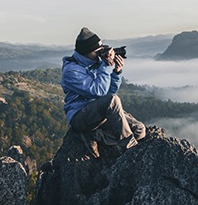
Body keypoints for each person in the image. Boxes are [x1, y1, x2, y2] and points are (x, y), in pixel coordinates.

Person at [61, 27, 146, 158]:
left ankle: (97, 136)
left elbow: (108, 93)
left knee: (139, 130)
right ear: (86, 52)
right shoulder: (72, 71)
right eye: (98, 51)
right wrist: (105, 66)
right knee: (113, 100)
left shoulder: (95, 63)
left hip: (99, 113)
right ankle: (129, 148)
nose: (101, 54)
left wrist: (117, 72)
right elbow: (99, 92)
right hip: (80, 116)